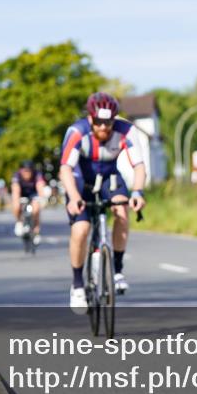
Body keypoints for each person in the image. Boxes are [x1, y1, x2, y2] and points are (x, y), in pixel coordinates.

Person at [60, 92, 146, 313]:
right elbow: (66, 169)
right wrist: (74, 197)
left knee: (122, 211)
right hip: (81, 181)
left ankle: (116, 270)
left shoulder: (126, 131)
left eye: (108, 122)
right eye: (98, 122)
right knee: (81, 229)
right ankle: (78, 284)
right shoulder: (77, 132)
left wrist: (137, 192)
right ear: (90, 118)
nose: (103, 127)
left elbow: (139, 166)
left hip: (110, 178)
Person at [12, 161, 47, 243]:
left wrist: (42, 198)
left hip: (33, 193)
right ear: (21, 171)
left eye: (28, 171)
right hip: (21, 193)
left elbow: (40, 186)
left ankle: (36, 231)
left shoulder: (37, 174)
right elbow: (15, 189)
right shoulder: (17, 175)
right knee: (16, 205)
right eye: (24, 171)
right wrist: (16, 199)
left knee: (36, 209)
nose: (26, 173)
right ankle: (19, 222)